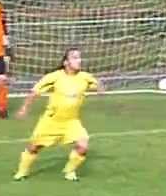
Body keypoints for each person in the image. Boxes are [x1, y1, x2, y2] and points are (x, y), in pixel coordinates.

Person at [13, 47, 104, 182]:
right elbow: (35, 92)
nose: (79, 60)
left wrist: (99, 87)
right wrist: (24, 108)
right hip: (51, 121)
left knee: (83, 145)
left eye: (79, 57)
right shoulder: (54, 77)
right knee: (34, 147)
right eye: (74, 57)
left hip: (71, 121)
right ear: (66, 62)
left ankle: (69, 171)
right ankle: (22, 171)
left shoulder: (84, 77)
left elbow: (99, 87)